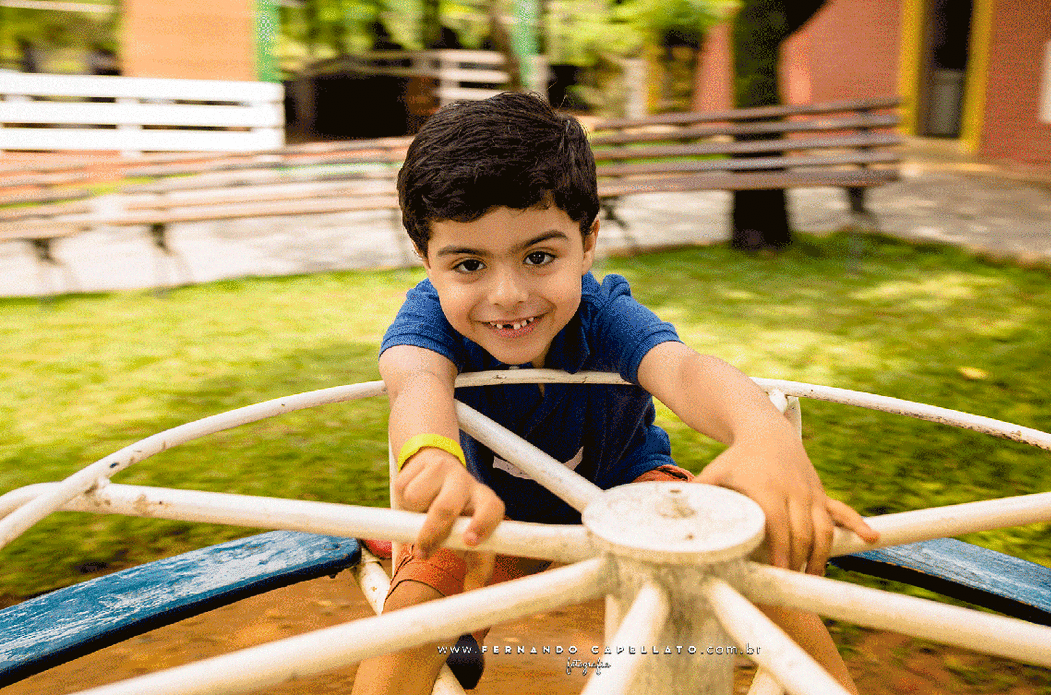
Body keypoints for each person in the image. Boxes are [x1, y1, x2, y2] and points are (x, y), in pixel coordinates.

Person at [352, 92, 879, 694]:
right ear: (425, 259)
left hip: (627, 488)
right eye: (469, 265)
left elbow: (683, 370)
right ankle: (446, 629)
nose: (506, 295)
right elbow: (417, 384)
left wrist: (762, 433)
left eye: (539, 256)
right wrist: (431, 457)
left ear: (589, 241)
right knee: (411, 623)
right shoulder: (426, 325)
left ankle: (829, 684)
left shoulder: (604, 314)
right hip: (483, 514)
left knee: (736, 543)